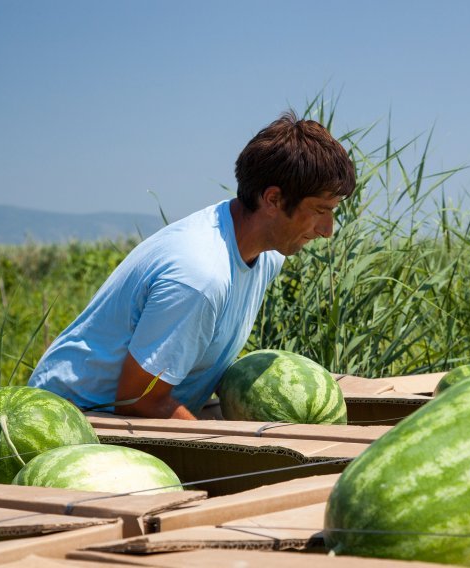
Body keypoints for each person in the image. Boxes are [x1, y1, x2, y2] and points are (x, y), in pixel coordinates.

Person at [28, 111, 357, 420]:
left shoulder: (267, 254)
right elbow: (137, 400)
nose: (327, 230)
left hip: (135, 409)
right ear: (272, 199)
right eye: (319, 210)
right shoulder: (200, 276)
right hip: (73, 419)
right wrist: (231, 444)